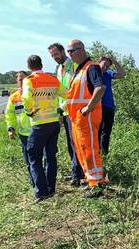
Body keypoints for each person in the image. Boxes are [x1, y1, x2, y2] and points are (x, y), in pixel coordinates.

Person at [65, 39, 108, 197]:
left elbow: (100, 88)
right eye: (68, 52)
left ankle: (97, 185)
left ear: (82, 49)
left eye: (72, 51)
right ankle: (92, 181)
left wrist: (88, 108)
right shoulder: (79, 70)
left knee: (90, 150)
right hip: (78, 118)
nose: (70, 54)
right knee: (82, 150)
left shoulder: (91, 67)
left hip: (87, 117)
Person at [22, 55, 65, 202]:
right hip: (54, 123)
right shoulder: (53, 80)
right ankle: (51, 188)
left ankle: (41, 192)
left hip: (39, 124)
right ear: (41, 65)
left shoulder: (29, 80)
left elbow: (26, 98)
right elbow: (67, 94)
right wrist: (61, 109)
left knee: (34, 157)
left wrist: (29, 112)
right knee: (51, 156)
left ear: (29, 67)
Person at [48, 42, 84, 186]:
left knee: (76, 143)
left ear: (63, 52)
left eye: (56, 54)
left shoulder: (74, 65)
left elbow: (73, 91)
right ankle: (77, 171)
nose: (54, 57)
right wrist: (60, 110)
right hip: (65, 111)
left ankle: (77, 174)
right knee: (70, 144)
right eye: (52, 56)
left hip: (74, 110)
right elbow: (59, 91)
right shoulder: (59, 69)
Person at [4, 71, 33, 186]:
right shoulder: (13, 98)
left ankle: (43, 181)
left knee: (43, 159)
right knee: (28, 161)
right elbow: (9, 115)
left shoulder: (35, 93)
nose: (21, 81)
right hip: (24, 135)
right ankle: (34, 182)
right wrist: (11, 129)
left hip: (38, 132)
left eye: (24, 79)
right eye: (19, 79)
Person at [98, 55, 125, 156]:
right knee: (98, 131)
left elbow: (122, 74)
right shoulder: (93, 73)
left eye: (107, 66)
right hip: (98, 106)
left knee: (106, 132)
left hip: (109, 106)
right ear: (99, 61)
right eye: (104, 65)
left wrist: (114, 61)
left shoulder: (108, 73)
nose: (105, 68)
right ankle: (97, 155)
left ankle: (104, 154)